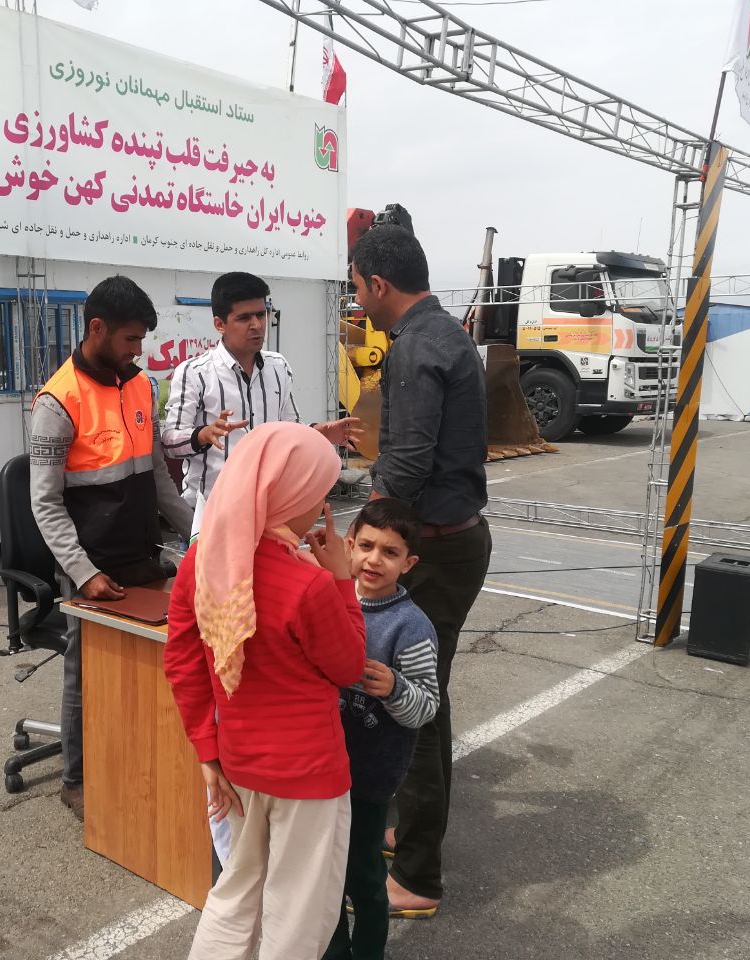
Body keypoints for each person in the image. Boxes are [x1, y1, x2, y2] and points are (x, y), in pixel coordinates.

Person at [163, 421, 366, 960]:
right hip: (308, 772)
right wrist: (343, 579)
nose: (322, 503)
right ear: (291, 496)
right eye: (319, 492)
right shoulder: (311, 584)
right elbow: (348, 667)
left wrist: (208, 754)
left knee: (235, 894)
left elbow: (183, 665)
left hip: (237, 761)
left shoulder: (200, 565)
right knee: (296, 914)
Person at [350, 225, 493, 917]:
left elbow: (404, 466)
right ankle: (406, 830)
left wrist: (355, 522)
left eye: (356, 286)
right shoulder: (448, 333)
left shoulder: (414, 348)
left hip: (437, 546)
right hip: (452, 535)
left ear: (379, 285)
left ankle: (418, 876)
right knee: (424, 693)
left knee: (418, 707)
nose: (357, 301)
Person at [30, 275, 193, 821]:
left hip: (142, 555)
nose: (137, 351)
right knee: (87, 674)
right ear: (96, 328)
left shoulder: (140, 385)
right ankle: (76, 780)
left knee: (162, 662)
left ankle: (139, 762)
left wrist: (198, 535)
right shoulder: (57, 402)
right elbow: (46, 504)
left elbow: (159, 481)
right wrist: (82, 573)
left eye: (142, 341)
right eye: (129, 339)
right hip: (92, 572)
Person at [324, 498, 439, 960]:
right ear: (349, 545)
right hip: (322, 768)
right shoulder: (331, 598)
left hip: (370, 779)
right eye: (366, 546)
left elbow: (427, 707)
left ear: (408, 564)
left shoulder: (410, 627)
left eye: (390, 553)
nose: (374, 560)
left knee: (363, 878)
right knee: (323, 875)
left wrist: (393, 688)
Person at [162, 271, 361, 517]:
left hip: (269, 508)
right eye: (244, 318)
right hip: (212, 511)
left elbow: (290, 429)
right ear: (219, 324)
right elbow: (170, 441)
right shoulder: (194, 373)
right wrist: (202, 435)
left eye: (260, 314)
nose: (256, 325)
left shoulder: (278, 366)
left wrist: (319, 432)